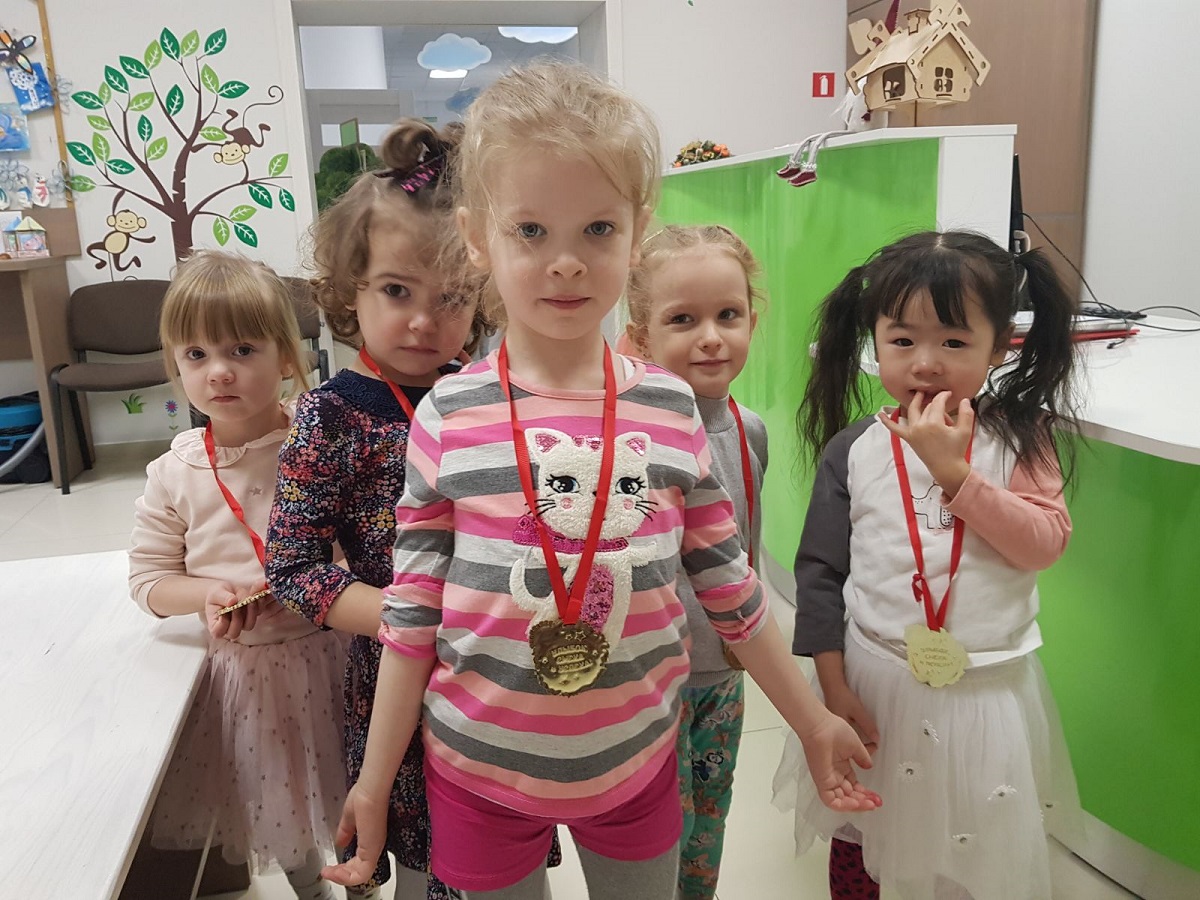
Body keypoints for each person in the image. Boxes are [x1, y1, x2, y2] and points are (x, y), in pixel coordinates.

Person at [322, 61, 879, 900]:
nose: (566, 264)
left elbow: (733, 591)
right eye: (530, 231)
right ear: (477, 237)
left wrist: (811, 721)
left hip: (638, 761)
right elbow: (411, 617)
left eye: (596, 230)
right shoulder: (448, 417)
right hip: (479, 771)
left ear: (636, 230)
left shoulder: (670, 408)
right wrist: (373, 783)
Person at [772, 230, 1083, 900]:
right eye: (903, 339)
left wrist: (955, 475)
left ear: (999, 347)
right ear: (875, 342)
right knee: (863, 827)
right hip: (874, 679)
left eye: (954, 341)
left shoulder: (1021, 438)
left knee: (973, 839)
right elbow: (820, 574)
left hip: (984, 688)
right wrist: (833, 685)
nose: (926, 363)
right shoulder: (855, 448)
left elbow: (1044, 544)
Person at [264, 118, 492, 900]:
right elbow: (293, 567)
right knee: (426, 863)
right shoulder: (329, 416)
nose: (424, 320)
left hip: (497, 669)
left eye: (451, 296)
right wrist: (401, 615)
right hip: (400, 679)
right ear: (349, 291)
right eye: (397, 291)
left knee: (497, 852)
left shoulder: (490, 400)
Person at [129, 250, 346, 900]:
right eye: (196, 354)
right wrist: (208, 594)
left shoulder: (322, 443)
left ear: (285, 358)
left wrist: (317, 585)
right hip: (247, 678)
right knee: (279, 797)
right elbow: (148, 582)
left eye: (242, 349)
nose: (218, 371)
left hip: (336, 654)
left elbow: (368, 547)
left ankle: (362, 874)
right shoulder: (175, 472)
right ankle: (313, 890)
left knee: (350, 779)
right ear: (176, 364)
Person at [624, 224, 767, 900]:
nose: (711, 337)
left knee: (709, 823)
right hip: (651, 680)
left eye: (727, 315)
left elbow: (745, 549)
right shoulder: (632, 437)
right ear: (642, 336)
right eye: (683, 320)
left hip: (725, 673)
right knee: (656, 838)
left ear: (752, 320)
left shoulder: (750, 429)